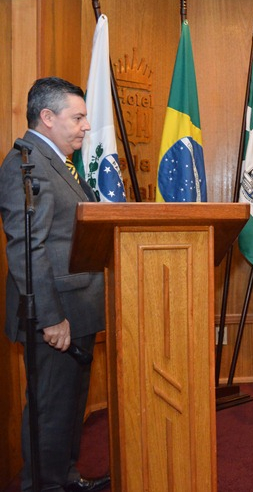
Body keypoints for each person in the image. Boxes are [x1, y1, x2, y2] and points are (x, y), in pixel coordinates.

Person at [0, 77, 109, 492]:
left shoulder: (57, 163)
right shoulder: (24, 164)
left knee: (69, 408)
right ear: (47, 117)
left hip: (77, 311)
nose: (86, 126)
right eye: (77, 117)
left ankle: (65, 476)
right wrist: (50, 318)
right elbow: (27, 248)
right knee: (49, 411)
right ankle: (43, 485)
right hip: (55, 317)